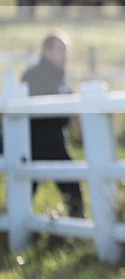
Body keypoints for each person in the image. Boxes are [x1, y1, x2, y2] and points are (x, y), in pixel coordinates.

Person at [21, 30, 85, 218]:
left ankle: (77, 228)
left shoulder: (60, 77)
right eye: (61, 50)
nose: (66, 55)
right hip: (35, 144)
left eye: (67, 51)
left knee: (72, 187)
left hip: (55, 143)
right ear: (47, 51)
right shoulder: (33, 76)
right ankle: (16, 232)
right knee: (25, 190)